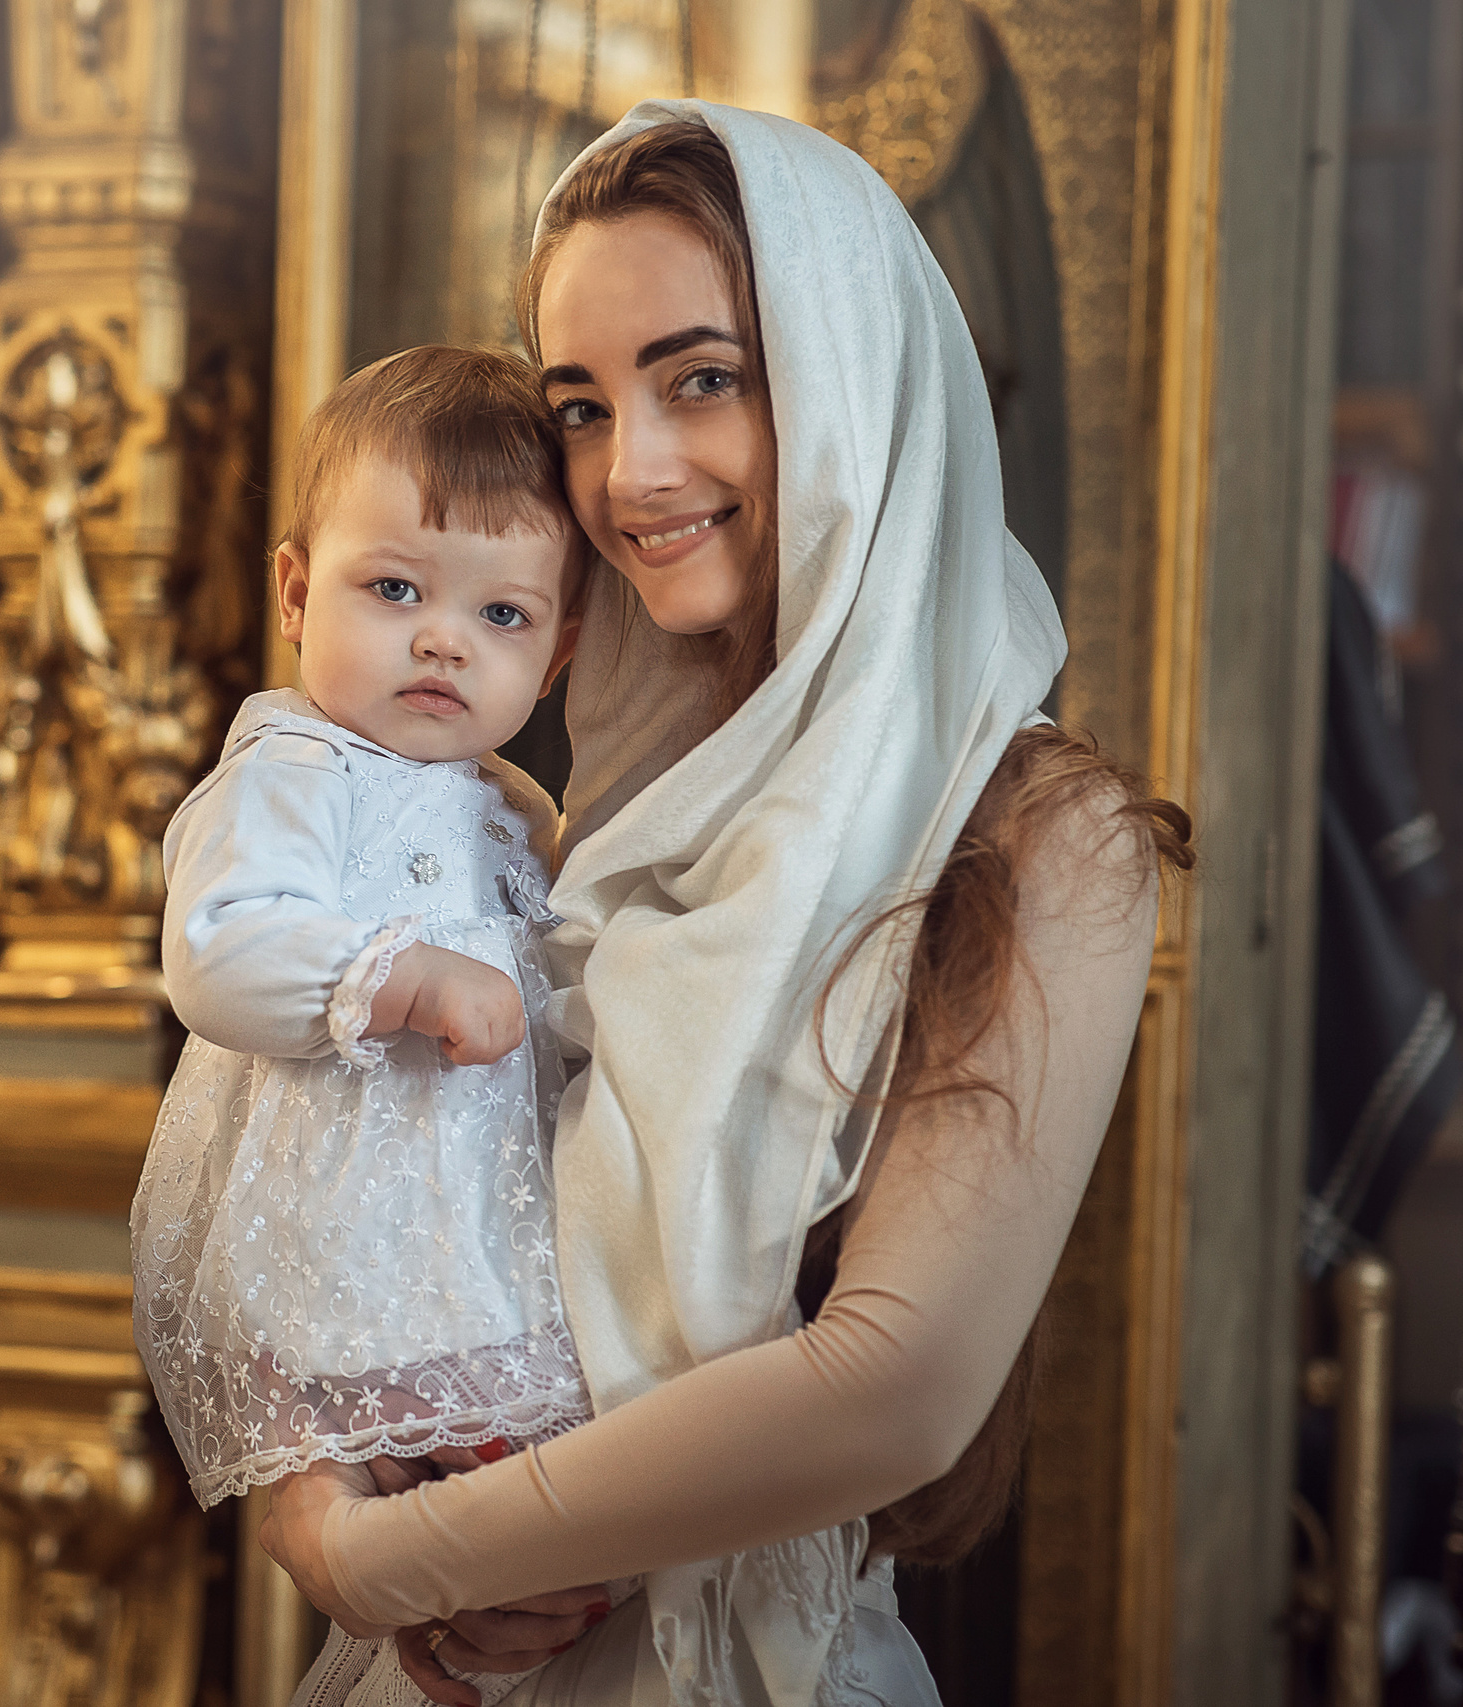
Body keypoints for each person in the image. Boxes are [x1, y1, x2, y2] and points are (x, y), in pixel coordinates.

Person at [256, 103, 1193, 1707]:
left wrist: (410, 1556)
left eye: (705, 378)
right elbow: (354, 1196)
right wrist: (317, 1501)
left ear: (849, 374)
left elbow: (890, 1387)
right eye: (580, 404)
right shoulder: (581, 780)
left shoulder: (1050, 834)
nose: (634, 470)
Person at [132, 346, 608, 1706]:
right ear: (297, 590)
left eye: (503, 615)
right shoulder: (293, 767)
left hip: (480, 1236)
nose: (444, 639)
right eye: (394, 590)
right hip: (334, 1226)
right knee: (409, 1525)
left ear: (561, 649)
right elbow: (219, 951)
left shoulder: (515, 808)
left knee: (505, 1542)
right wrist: (399, 983)